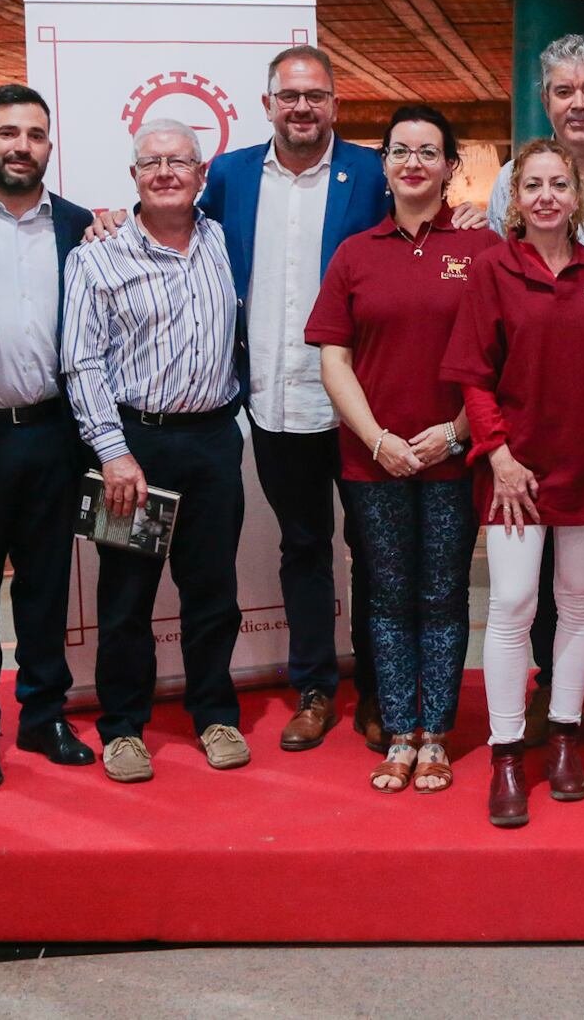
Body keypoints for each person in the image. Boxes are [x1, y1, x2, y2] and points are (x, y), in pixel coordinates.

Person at [197, 46, 392, 755]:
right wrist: (111, 220)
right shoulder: (230, 173)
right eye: (290, 96)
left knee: (372, 552)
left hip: (360, 403)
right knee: (303, 547)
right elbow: (180, 233)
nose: (302, 107)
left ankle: (379, 688)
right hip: (274, 401)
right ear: (268, 103)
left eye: (316, 96)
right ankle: (315, 687)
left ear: (335, 105)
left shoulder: (372, 172)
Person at [444, 140, 584, 827]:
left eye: (560, 183)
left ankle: (563, 735)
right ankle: (507, 753)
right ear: (516, 196)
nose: (547, 196)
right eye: (533, 184)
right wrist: (496, 453)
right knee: (514, 600)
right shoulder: (492, 270)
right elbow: (472, 375)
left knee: (580, 598)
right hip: (516, 472)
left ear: (578, 194)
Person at [307, 104, 501, 795]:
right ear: (383, 165)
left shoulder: (482, 250)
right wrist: (378, 438)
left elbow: (500, 357)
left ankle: (437, 735)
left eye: (429, 150)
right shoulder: (355, 253)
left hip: (455, 455)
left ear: (451, 166)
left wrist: (456, 431)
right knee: (386, 597)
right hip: (373, 459)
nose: (413, 161)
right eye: (400, 150)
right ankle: (398, 733)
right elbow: (334, 359)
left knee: (444, 594)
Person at [63, 118, 251, 785]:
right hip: (132, 447)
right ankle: (122, 727)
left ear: (202, 175)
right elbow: (82, 363)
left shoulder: (228, 243)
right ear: (134, 175)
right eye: (152, 162)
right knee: (126, 595)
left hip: (211, 442)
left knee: (213, 591)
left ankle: (215, 714)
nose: (166, 171)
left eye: (179, 161)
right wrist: (113, 452)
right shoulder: (97, 256)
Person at [483, 34, 584, 750]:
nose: (577, 102)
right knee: (528, 581)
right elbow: (501, 280)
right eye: (563, 91)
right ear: (546, 101)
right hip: (529, 414)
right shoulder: (507, 182)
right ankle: (549, 691)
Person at [0, 86, 100, 788]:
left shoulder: (75, 224)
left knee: (44, 590)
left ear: (49, 145)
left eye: (35, 134)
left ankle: (43, 716)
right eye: (7, 132)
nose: (21, 145)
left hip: (51, 434)